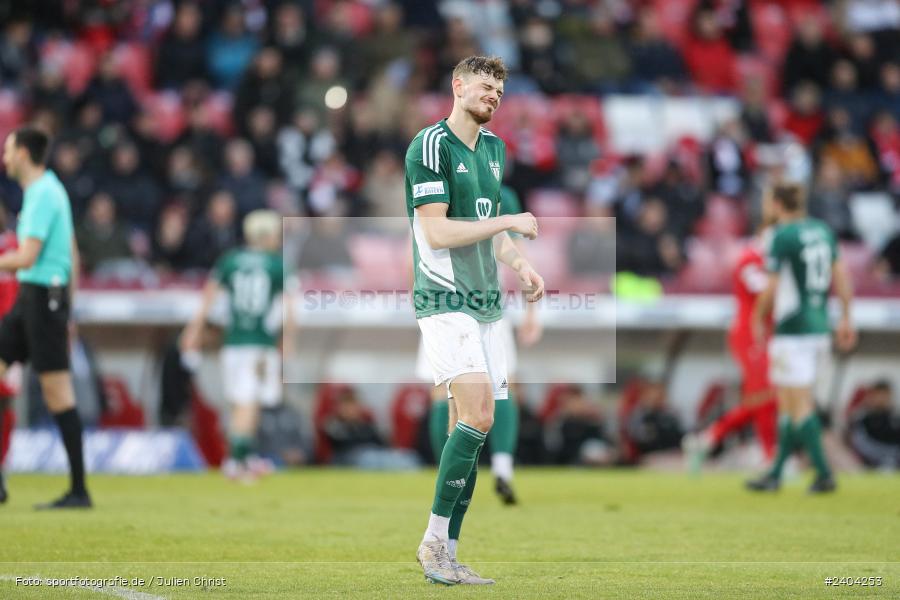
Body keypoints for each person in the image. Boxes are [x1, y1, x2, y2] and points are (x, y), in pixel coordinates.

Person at [406, 56, 544, 586]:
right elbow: (437, 233)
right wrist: (508, 218)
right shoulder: (430, 145)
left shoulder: (494, 149)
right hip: (445, 299)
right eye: (485, 87)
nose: (493, 97)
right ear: (458, 86)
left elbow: (489, 229)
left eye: (499, 92)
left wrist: (520, 264)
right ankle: (432, 543)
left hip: (486, 304)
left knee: (469, 428)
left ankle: (448, 552)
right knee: (480, 416)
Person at [419, 184, 542, 506]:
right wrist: (531, 311)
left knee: (446, 391)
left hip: (446, 301)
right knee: (502, 385)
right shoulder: (494, 190)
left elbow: (414, 249)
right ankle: (501, 468)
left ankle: (448, 474)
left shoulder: (437, 186)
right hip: (475, 303)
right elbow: (516, 250)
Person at [0, 126, 90, 509]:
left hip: (43, 299)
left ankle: (79, 491)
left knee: (58, 394)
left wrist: (65, 310)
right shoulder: (49, 190)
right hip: (33, 297)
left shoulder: (41, 194)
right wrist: (71, 307)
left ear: (23, 153)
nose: (4, 158)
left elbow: (27, 257)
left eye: (7, 150)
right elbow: (72, 252)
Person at [747, 184, 856, 493]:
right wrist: (846, 317)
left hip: (792, 329)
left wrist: (757, 318)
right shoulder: (822, 230)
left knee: (799, 406)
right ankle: (775, 473)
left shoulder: (781, 236)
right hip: (820, 326)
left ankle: (824, 473)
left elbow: (771, 286)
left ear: (776, 203)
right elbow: (841, 275)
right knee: (786, 403)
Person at [181, 210, 292, 483]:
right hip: (260, 342)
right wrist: (287, 341)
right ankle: (235, 461)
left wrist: (192, 331)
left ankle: (245, 457)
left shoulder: (230, 260)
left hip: (234, 342)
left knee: (240, 402)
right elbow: (290, 308)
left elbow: (208, 299)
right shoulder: (276, 264)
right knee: (248, 402)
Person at [683, 189, 778, 473]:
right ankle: (769, 455)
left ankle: (708, 438)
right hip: (749, 334)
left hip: (763, 333)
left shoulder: (765, 261)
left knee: (764, 396)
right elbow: (765, 294)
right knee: (764, 395)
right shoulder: (750, 259)